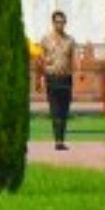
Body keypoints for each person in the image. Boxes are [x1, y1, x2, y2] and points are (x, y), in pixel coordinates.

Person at [39, 10, 78, 151]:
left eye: (62, 21)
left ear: (65, 23)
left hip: (66, 78)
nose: (59, 24)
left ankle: (62, 139)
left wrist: (77, 77)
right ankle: (58, 141)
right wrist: (41, 78)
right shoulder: (45, 40)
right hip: (52, 77)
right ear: (53, 22)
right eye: (57, 21)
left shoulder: (70, 41)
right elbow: (41, 61)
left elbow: (74, 61)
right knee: (55, 110)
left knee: (64, 110)